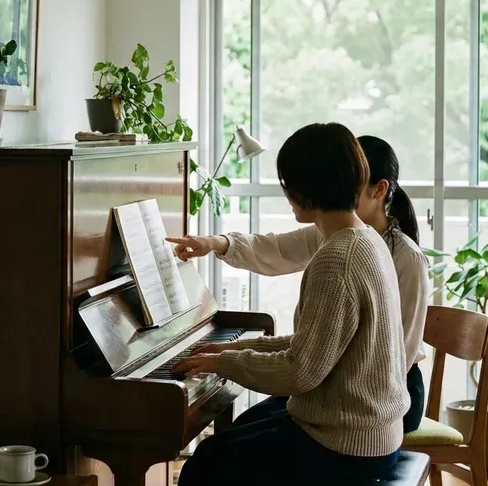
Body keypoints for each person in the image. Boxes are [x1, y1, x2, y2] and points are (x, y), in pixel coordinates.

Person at [162, 123, 409, 486]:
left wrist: (226, 362)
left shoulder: (337, 258)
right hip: (367, 433)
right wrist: (229, 353)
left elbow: (300, 372)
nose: (286, 195)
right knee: (222, 452)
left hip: (347, 448)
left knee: (206, 468)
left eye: (287, 185)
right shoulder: (364, 239)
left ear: (303, 190)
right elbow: (317, 343)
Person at [167, 134, 431, 434]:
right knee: (247, 425)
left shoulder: (400, 256)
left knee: (232, 443)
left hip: (381, 395)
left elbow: (395, 356)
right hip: (335, 382)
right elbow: (276, 249)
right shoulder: (342, 236)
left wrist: (234, 360)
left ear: (379, 189)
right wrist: (216, 242)